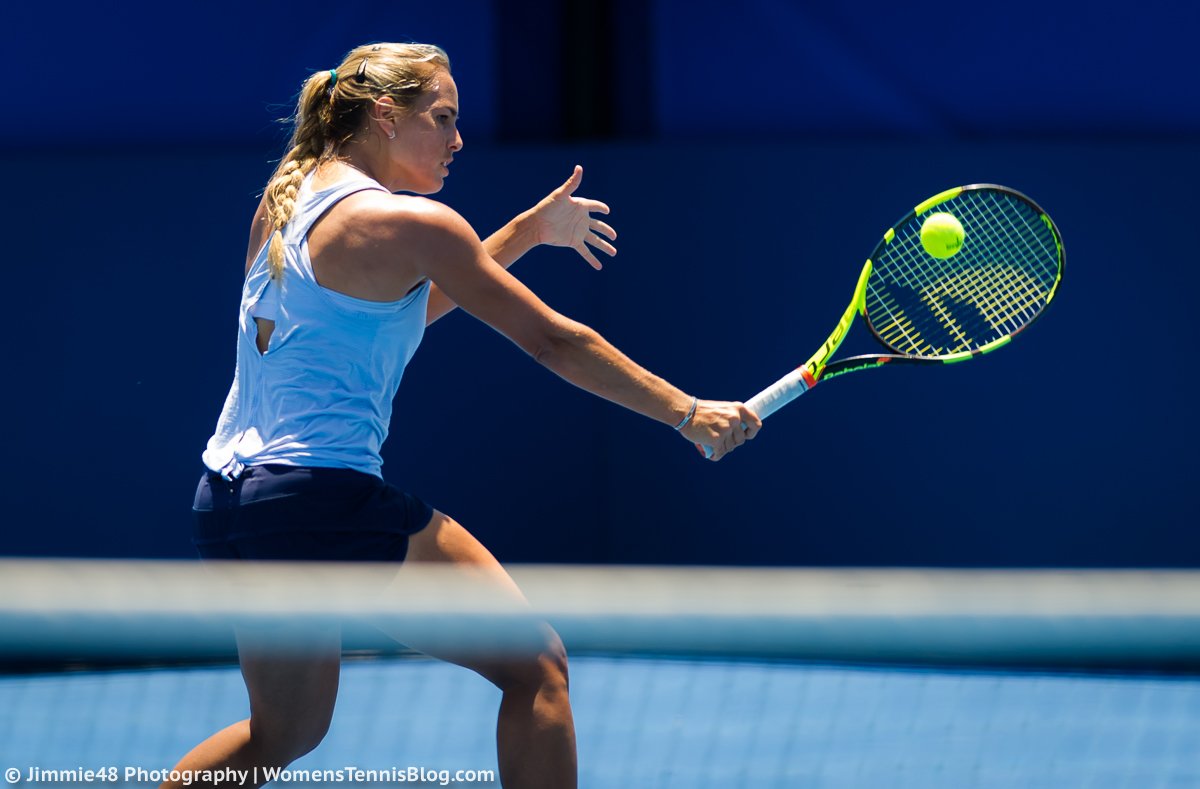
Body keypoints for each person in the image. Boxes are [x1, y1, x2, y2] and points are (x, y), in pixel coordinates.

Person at [169, 42, 760, 789]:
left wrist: (526, 231)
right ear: (386, 116)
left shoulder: (284, 204)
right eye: (441, 118)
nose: (456, 140)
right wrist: (688, 412)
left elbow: (405, 312)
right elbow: (553, 339)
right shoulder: (417, 224)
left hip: (232, 507)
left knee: (285, 731)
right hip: (323, 502)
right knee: (536, 666)